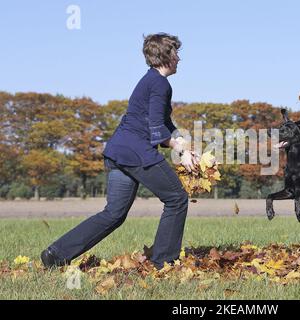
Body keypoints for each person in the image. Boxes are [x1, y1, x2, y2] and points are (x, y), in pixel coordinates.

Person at [41, 33, 197, 270]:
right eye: (177, 53)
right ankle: (163, 263)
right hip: (137, 152)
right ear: (167, 55)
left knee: (114, 213)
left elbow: (164, 124)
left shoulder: (151, 81)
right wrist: (179, 151)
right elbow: (156, 126)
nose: (179, 58)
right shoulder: (160, 84)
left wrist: (184, 146)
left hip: (118, 151)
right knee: (176, 198)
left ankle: (56, 254)